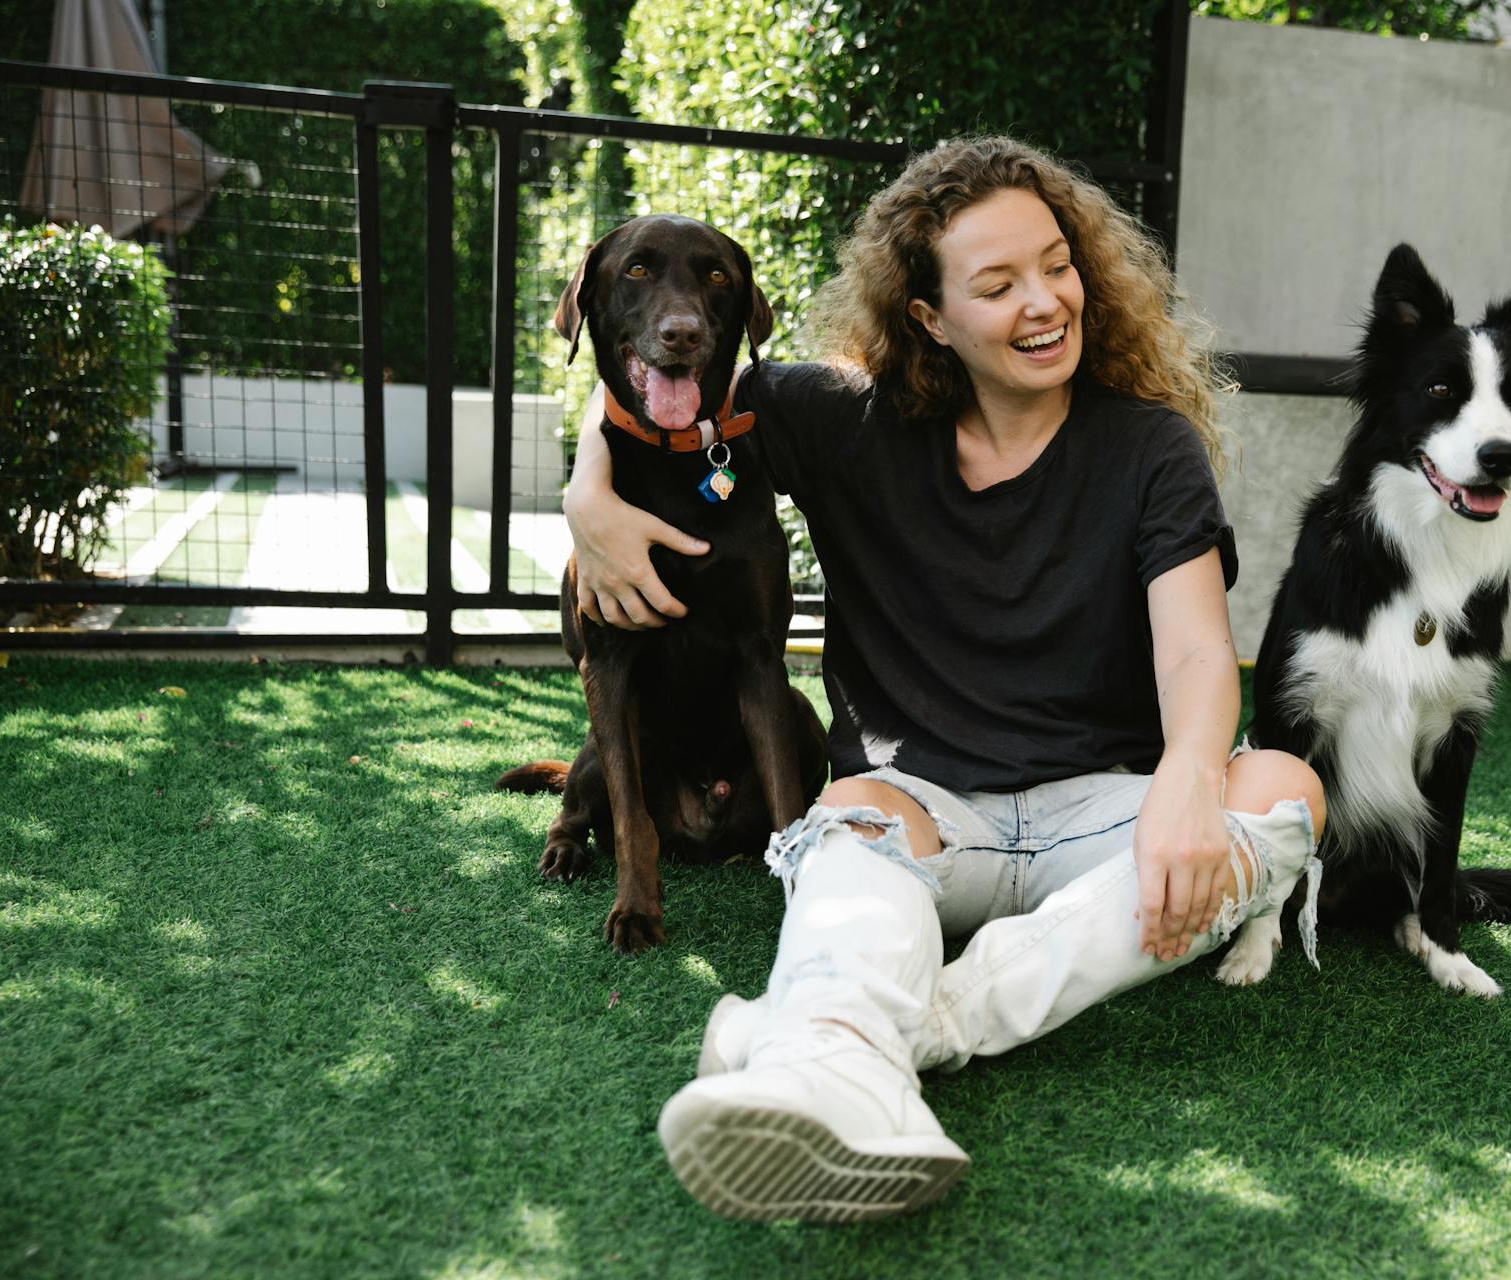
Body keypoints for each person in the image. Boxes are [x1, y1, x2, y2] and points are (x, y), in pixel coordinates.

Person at [560, 136, 1327, 1221]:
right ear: (928, 316)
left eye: (1057, 265)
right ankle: (832, 1050)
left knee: (1284, 789)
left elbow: (1198, 649)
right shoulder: (845, 419)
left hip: (1100, 819)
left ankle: (887, 1038)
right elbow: (664, 385)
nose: (1044, 301)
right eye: (997, 283)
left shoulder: (1151, 446)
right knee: (848, 814)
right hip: (923, 811)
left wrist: (1192, 782)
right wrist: (586, 493)